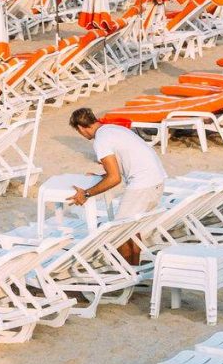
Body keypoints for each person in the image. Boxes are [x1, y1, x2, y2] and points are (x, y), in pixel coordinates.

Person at [65, 106, 167, 261]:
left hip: (143, 184)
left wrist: (86, 193)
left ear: (80, 127)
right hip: (157, 179)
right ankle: (133, 270)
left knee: (118, 232)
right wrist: (102, 176)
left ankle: (127, 273)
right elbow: (117, 170)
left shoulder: (101, 140)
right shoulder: (113, 129)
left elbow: (114, 179)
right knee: (131, 228)